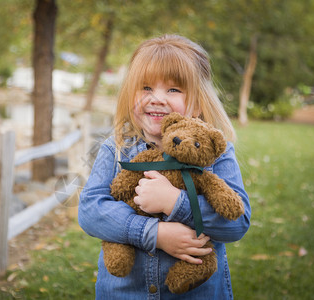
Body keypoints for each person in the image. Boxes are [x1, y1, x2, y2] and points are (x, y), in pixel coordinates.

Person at [78, 34, 251, 300]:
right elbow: (91, 211)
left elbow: (237, 222)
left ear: (197, 102)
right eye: (146, 88)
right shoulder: (116, 149)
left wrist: (176, 203)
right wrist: (154, 234)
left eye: (173, 90)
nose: (157, 98)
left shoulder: (217, 154)